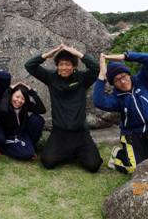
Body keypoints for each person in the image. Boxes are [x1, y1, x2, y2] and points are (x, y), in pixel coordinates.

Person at [25, 44, 102, 172]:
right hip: (59, 132)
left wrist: (77, 53)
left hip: (80, 133)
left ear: (74, 66)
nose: (64, 68)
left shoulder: (82, 79)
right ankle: (70, 153)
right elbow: (29, 66)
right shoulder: (51, 78)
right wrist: (47, 54)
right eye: (61, 64)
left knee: (94, 166)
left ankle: (75, 152)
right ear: (57, 66)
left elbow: (95, 68)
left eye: (67, 64)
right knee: (47, 162)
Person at [92, 52, 148, 173]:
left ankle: (145, 152)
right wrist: (102, 75)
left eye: (124, 76)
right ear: (113, 84)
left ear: (129, 74)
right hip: (132, 135)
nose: (123, 81)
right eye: (117, 80)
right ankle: (117, 155)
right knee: (134, 168)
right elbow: (99, 101)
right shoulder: (116, 98)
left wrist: (125, 56)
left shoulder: (143, 81)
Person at [0, 82, 46, 160]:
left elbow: (42, 110)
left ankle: (31, 147)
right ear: (11, 95)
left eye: (23, 99)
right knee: (27, 154)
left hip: (22, 134)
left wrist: (32, 92)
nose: (19, 101)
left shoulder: (25, 106)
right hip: (10, 136)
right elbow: (2, 110)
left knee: (37, 119)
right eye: (17, 96)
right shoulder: (5, 105)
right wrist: (9, 90)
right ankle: (2, 149)